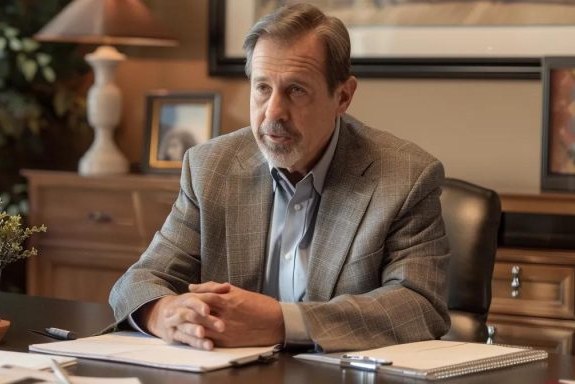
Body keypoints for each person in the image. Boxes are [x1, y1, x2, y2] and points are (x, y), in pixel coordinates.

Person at [109, 3, 450, 353]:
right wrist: (164, 312)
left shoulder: (404, 177)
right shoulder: (211, 167)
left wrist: (282, 322)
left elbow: (420, 306)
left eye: (296, 90)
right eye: (262, 88)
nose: (273, 112)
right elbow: (137, 282)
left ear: (343, 96)